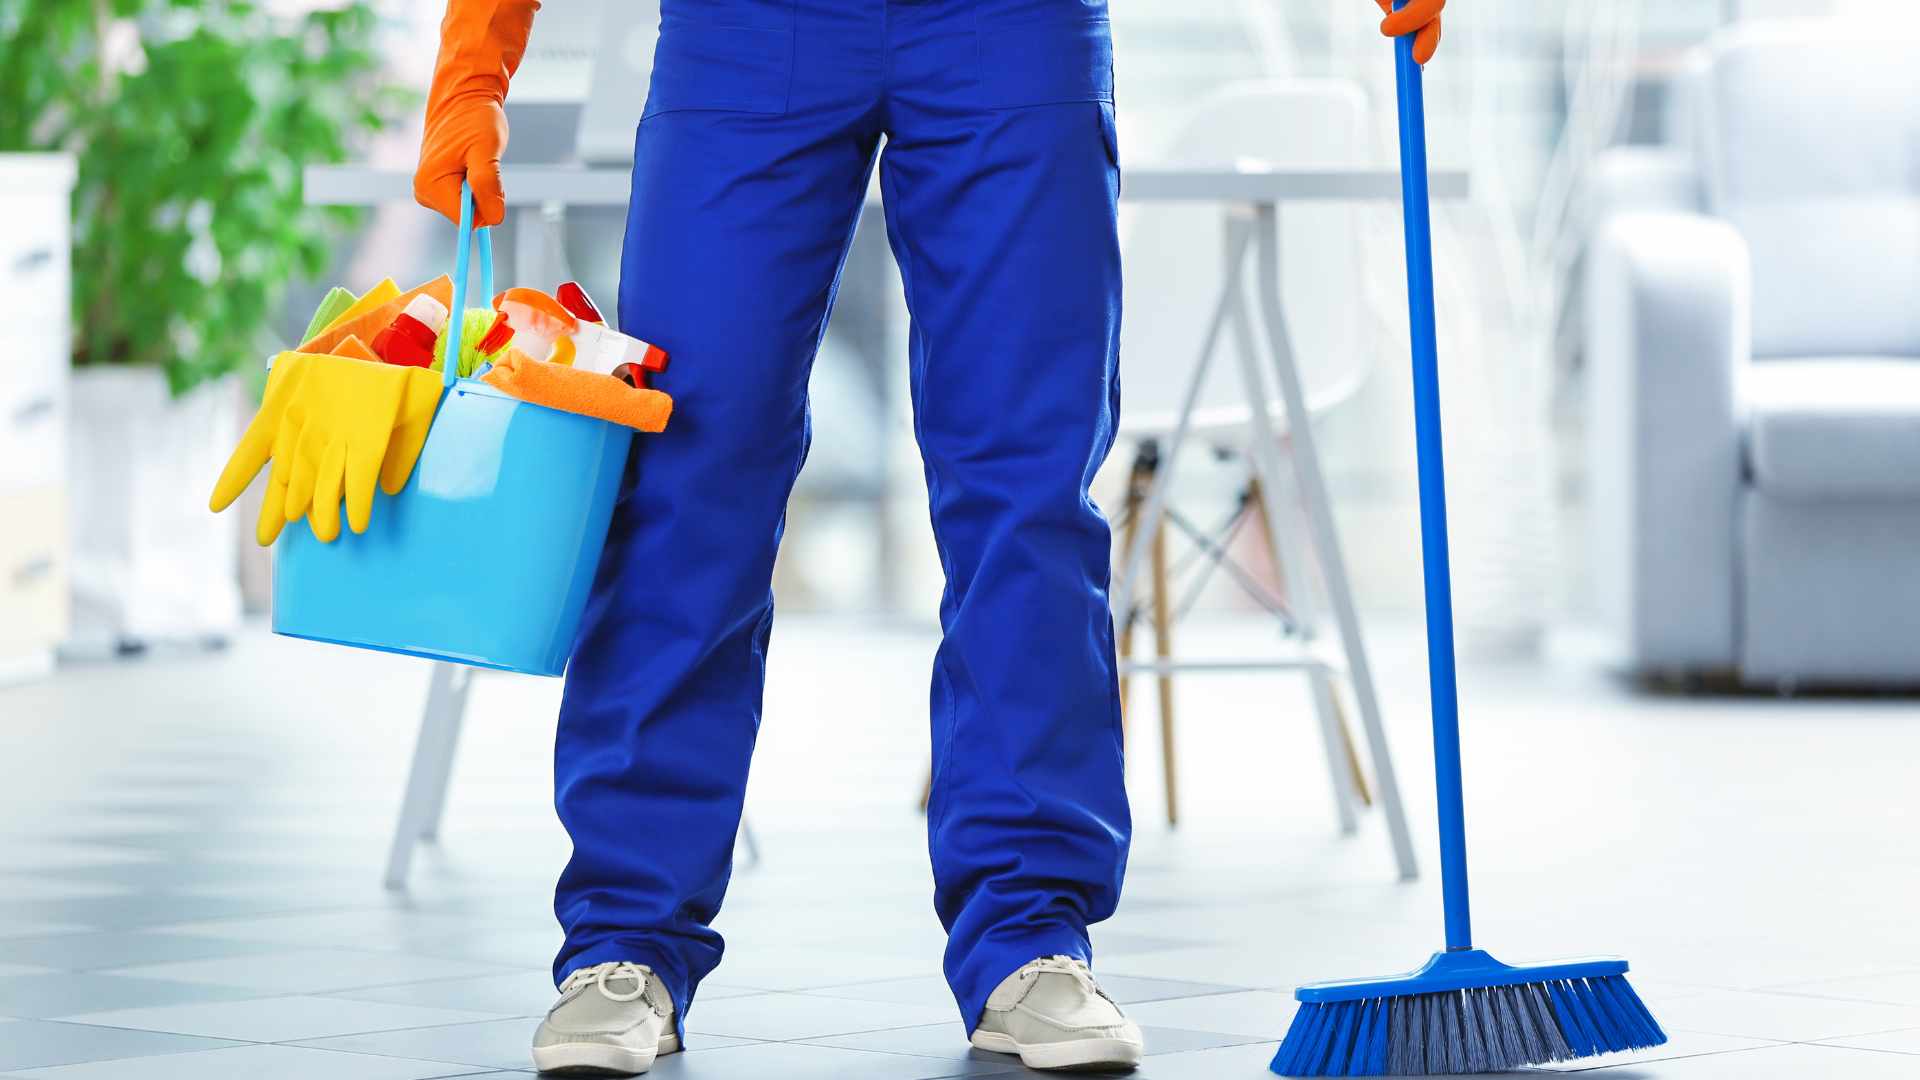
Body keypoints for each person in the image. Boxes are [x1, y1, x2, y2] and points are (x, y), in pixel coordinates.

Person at [413, 0, 1444, 1073]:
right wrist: (475, 61)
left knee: (1027, 491)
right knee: (688, 475)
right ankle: (623, 943)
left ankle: (1030, 940)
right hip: (747, 30)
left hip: (1011, 26)